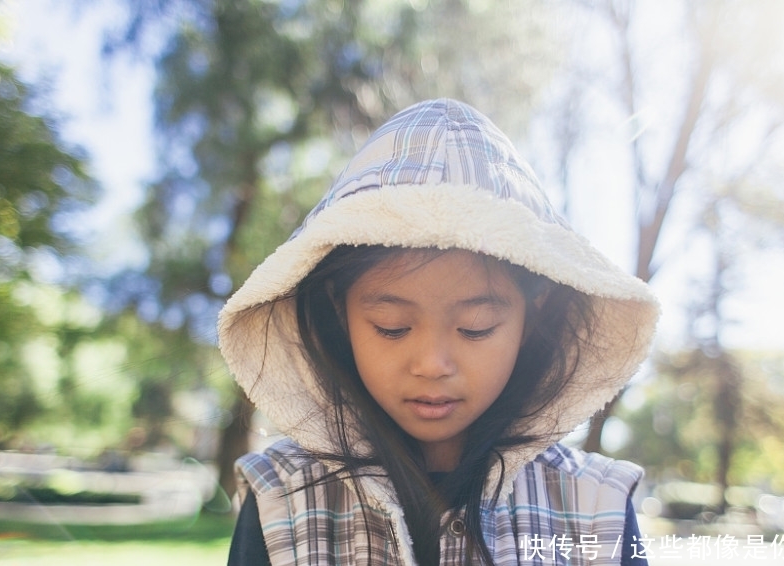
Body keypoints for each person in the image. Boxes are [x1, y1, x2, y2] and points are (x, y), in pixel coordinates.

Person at [219, 99, 659, 566]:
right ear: (339, 311)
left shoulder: (596, 507)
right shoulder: (280, 498)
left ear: (531, 318)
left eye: (476, 328)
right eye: (392, 328)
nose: (431, 364)